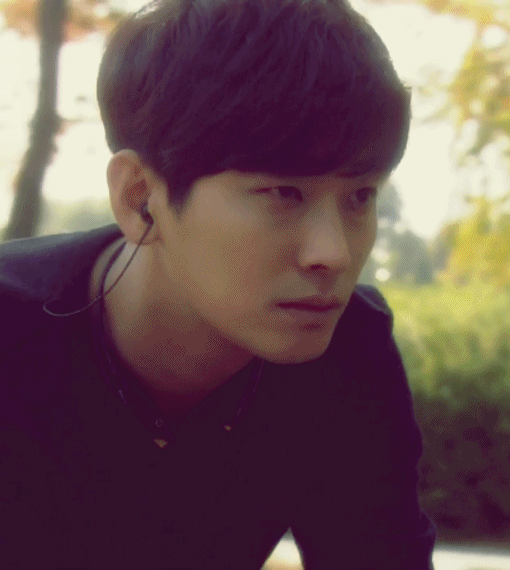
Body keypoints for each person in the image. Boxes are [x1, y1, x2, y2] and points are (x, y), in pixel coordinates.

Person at [0, 0, 437, 568]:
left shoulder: (348, 353)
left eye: (360, 196)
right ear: (140, 197)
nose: (333, 253)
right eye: (283, 193)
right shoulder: (12, 336)